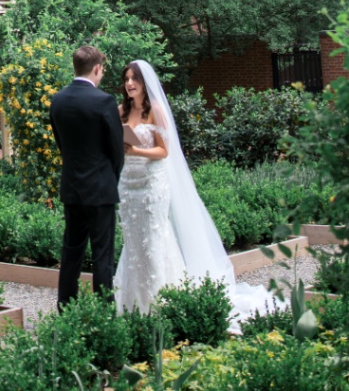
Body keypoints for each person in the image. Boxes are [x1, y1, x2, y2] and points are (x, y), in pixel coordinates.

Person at [113, 59, 282, 328]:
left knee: (153, 237)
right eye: (126, 79)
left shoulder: (156, 110)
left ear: (145, 83)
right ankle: (131, 304)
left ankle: (158, 302)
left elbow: (164, 151)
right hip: (127, 184)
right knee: (133, 241)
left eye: (134, 79)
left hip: (151, 185)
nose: (129, 83)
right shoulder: (121, 110)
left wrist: (136, 151)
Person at [47, 44, 125, 307]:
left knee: (71, 252)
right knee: (102, 255)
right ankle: (103, 312)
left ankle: (65, 308)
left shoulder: (57, 100)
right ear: (97, 68)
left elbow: (61, 144)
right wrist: (111, 178)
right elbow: (116, 150)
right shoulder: (104, 101)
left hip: (72, 187)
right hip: (101, 189)